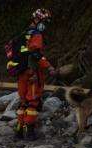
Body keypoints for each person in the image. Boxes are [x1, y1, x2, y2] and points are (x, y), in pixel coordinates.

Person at [6, 8, 55, 140]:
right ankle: (30, 133)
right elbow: (35, 54)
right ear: (37, 20)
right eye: (45, 21)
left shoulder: (22, 34)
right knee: (33, 102)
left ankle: (19, 131)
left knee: (23, 102)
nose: (45, 25)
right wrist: (49, 66)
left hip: (20, 72)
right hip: (32, 73)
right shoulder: (36, 34)